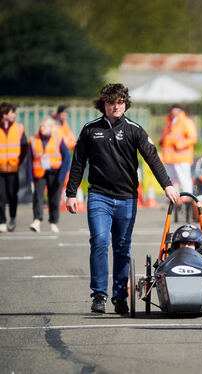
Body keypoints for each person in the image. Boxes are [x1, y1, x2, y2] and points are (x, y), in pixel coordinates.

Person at [65, 83, 179, 314]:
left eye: (120, 102)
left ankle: (120, 297)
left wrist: (167, 184)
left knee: (122, 248)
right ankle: (98, 295)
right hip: (98, 196)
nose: (116, 106)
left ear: (125, 104)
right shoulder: (90, 130)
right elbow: (78, 162)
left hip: (127, 198)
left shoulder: (135, 130)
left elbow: (152, 158)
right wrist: (71, 193)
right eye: (111, 102)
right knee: (99, 242)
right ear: (103, 105)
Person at [27, 117, 71, 233]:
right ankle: (37, 220)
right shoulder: (33, 140)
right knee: (38, 197)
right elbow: (29, 159)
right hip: (39, 173)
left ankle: (53, 221)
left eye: (44, 126)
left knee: (54, 199)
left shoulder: (58, 139)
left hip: (55, 174)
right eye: (41, 126)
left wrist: (62, 176)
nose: (42, 128)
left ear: (51, 128)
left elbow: (67, 157)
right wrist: (30, 176)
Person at [0, 102, 28, 233]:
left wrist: (18, 161)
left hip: (13, 168)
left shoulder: (18, 128)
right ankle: (2, 221)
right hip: (0, 169)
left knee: (12, 195)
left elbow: (24, 147)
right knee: (0, 196)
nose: (14, 115)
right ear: (4, 114)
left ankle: (12, 217)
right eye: (12, 112)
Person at [160, 104, 198, 193]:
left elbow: (193, 138)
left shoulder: (186, 122)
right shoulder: (169, 122)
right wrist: (162, 141)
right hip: (169, 158)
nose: (173, 113)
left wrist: (181, 144)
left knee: (184, 180)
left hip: (181, 158)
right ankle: (171, 202)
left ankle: (187, 200)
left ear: (180, 112)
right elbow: (167, 136)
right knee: (168, 182)